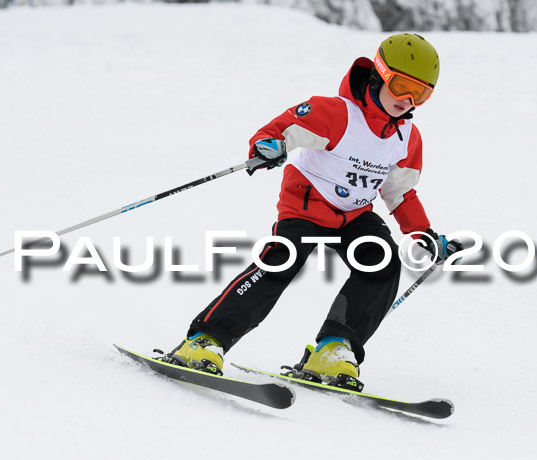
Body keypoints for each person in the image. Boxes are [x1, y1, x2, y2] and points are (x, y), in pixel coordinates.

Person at [164, 33, 463, 388]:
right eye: (400, 86)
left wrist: (424, 235)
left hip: (353, 214)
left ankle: (334, 350)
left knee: (382, 264)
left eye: (421, 94)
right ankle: (204, 340)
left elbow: (399, 192)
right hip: (307, 203)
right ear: (380, 74)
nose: (407, 100)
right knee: (282, 260)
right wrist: (268, 145)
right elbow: (282, 129)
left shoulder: (408, 138)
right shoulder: (336, 113)